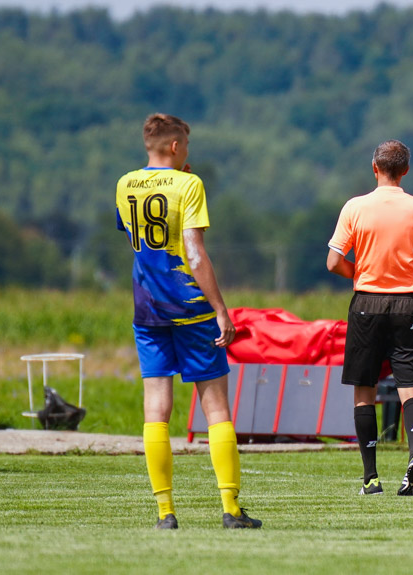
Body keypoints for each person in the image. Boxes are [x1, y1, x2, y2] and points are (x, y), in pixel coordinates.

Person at [116, 114, 261, 529]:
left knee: (156, 409)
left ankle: (165, 513)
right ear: (177, 147)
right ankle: (231, 509)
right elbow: (193, 251)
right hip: (191, 308)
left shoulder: (125, 184)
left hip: (147, 310)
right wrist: (220, 308)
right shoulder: (189, 184)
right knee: (215, 407)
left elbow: (138, 240)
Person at [327, 140, 413, 496]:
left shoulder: (355, 207)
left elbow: (332, 262)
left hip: (367, 303)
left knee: (365, 390)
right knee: (410, 387)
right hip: (408, 302)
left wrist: (359, 271)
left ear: (374, 168)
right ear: (406, 171)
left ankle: (371, 478)